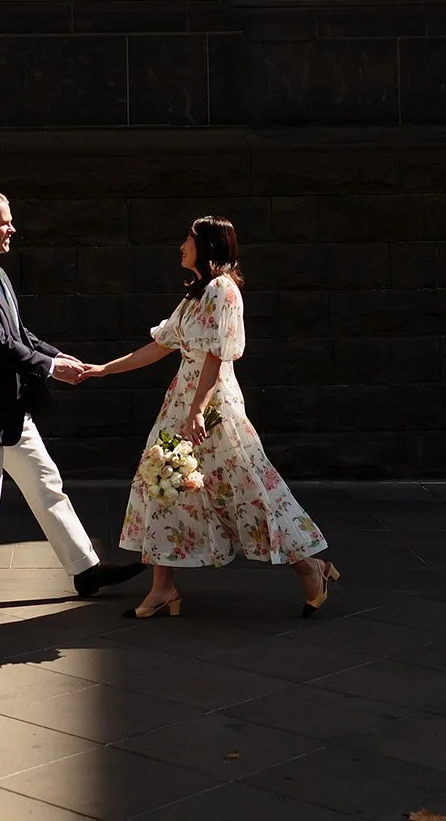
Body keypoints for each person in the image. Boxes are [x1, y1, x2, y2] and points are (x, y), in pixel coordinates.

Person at [81, 215, 337, 620]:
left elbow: (217, 355)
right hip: (181, 403)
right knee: (163, 483)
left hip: (212, 408)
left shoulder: (222, 290)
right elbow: (161, 345)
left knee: (247, 488)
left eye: (189, 238)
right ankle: (162, 588)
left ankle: (310, 567)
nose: (182, 245)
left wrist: (198, 410)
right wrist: (104, 370)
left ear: (208, 246)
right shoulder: (195, 294)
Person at [0, 189, 146, 615]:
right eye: (4, 222)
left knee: (46, 484)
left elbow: (18, 334)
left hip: (11, 410)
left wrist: (57, 356)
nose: (12, 229)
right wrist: (50, 368)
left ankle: (85, 569)